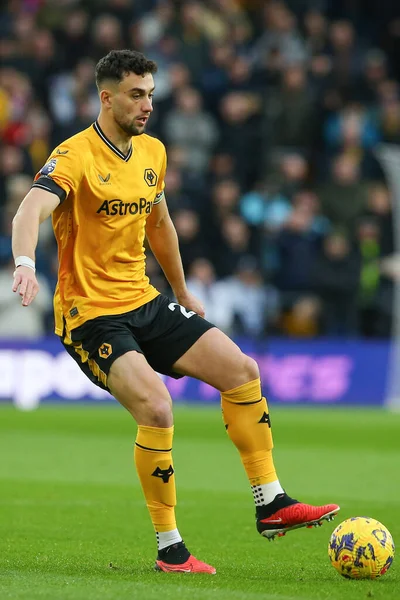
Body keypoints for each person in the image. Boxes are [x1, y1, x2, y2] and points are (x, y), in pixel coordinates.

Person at [11, 50, 339, 575]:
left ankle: (272, 503)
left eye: (151, 95)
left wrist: (184, 294)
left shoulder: (153, 153)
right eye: (137, 94)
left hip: (144, 299)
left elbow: (160, 225)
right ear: (107, 97)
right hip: (91, 314)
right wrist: (25, 261)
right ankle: (171, 549)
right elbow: (31, 207)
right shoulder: (74, 156)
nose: (146, 105)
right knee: (158, 409)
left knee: (242, 372)